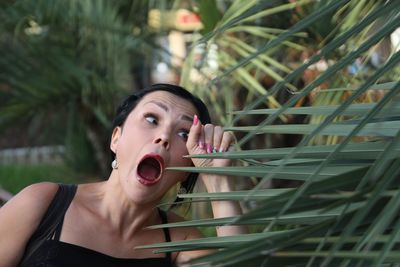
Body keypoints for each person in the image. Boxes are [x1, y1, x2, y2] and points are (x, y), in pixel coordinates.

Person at [0, 84, 246, 267]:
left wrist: (218, 178)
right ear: (116, 139)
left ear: (187, 168)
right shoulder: (44, 203)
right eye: (152, 119)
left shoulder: (182, 241)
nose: (163, 137)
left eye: (183, 133)